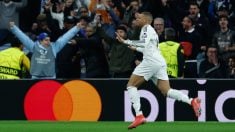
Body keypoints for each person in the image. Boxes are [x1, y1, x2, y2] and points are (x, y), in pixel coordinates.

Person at [116, 12, 201, 129]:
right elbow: (149, 48)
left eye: (139, 18)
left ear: (146, 20)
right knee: (167, 91)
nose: (136, 20)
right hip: (159, 62)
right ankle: (192, 101)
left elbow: (144, 44)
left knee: (131, 86)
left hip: (150, 62)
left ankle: (139, 115)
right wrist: (135, 48)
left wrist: (126, 41)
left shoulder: (146, 28)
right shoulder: (150, 30)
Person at [9, 21, 82, 79]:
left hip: (49, 78)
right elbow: (23, 38)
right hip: (36, 78)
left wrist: (76, 28)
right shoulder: (33, 47)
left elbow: (65, 37)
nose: (48, 42)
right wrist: (14, 28)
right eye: (46, 40)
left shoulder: (54, 47)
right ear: (40, 41)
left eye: (49, 40)